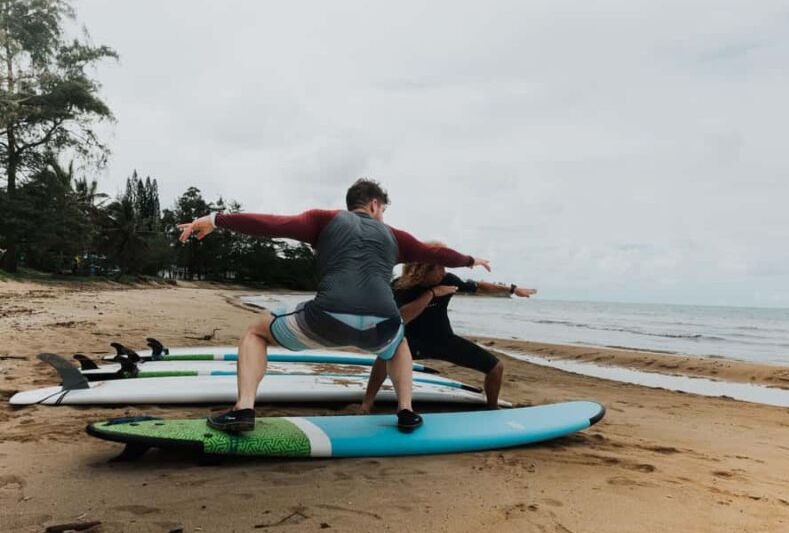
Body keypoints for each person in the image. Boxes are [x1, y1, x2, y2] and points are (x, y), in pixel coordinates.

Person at [177, 179, 490, 432]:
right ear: (375, 204)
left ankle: (244, 408)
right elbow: (435, 254)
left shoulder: (323, 220)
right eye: (383, 211)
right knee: (399, 343)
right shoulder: (396, 236)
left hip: (325, 321)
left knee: (256, 332)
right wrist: (469, 260)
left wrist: (217, 219)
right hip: (380, 328)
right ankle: (406, 411)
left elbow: (272, 224)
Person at [362, 254, 535, 411]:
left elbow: (479, 287)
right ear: (425, 270)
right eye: (440, 268)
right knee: (383, 358)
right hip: (411, 343)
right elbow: (402, 317)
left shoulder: (448, 279)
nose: (444, 273)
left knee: (496, 368)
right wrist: (431, 294)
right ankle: (366, 404)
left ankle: (491, 408)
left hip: (444, 341)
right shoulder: (401, 286)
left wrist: (512, 289)